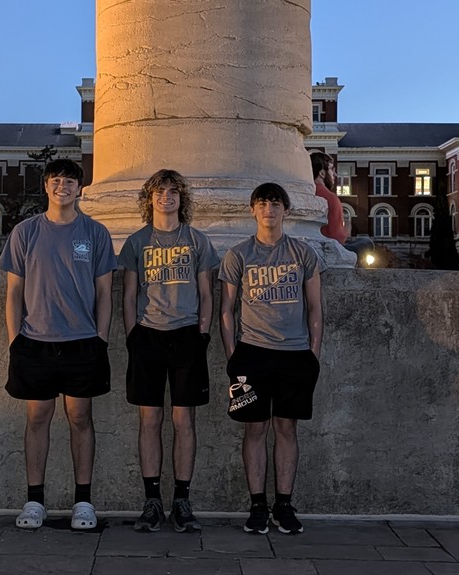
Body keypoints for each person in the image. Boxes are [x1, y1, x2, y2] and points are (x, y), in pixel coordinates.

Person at [0, 158, 117, 531]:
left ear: (80, 188)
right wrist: (15, 340)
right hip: (35, 342)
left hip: (83, 342)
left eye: (69, 180)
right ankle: (35, 501)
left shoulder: (95, 233)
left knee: (80, 418)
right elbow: (13, 292)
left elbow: (105, 293)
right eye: (55, 180)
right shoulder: (26, 232)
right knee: (37, 418)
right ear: (46, 187)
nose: (62, 185)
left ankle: (84, 500)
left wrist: (100, 338)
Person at [218, 183, 324, 535]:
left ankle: (284, 503)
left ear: (285, 210)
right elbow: (226, 311)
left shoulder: (302, 253)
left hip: (295, 354)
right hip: (252, 354)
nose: (269, 209)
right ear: (253, 210)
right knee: (255, 428)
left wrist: (314, 355)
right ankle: (257, 505)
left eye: (275, 203)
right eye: (262, 203)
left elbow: (315, 309)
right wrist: (234, 357)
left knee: (286, 428)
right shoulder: (238, 255)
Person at [118, 169, 219, 533]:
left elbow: (208, 293)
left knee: (183, 421)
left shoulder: (197, 240)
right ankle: (151, 500)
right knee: (149, 420)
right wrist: (133, 336)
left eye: (173, 192)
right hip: (148, 337)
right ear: (149, 199)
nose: (166, 198)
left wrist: (203, 333)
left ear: (181, 199)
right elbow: (128, 295)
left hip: (187, 336)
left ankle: (182, 499)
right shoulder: (136, 242)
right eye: (159, 192)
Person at [311, 152, 349, 244]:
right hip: (327, 247)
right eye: (332, 170)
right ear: (322, 173)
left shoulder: (306, 193)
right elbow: (337, 237)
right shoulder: (330, 199)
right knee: (365, 243)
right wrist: (347, 230)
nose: (335, 174)